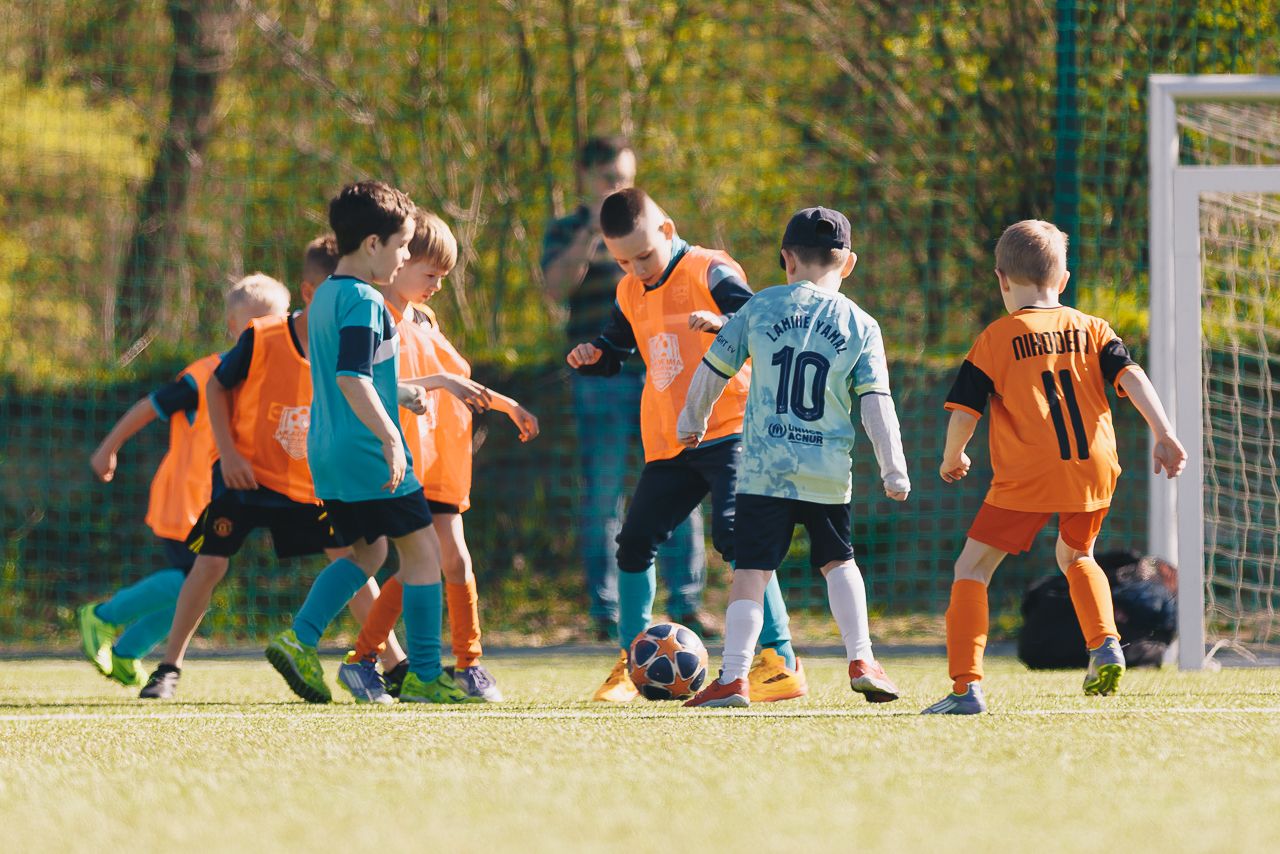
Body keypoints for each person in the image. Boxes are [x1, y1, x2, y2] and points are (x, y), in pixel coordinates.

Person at [921, 219, 1187, 715]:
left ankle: (965, 687)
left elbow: (965, 412)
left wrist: (952, 455)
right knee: (1078, 555)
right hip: (1094, 466)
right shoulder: (1093, 328)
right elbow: (1132, 376)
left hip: (1030, 470)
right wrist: (1164, 432)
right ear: (1063, 280)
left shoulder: (996, 338)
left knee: (971, 569)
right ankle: (1105, 644)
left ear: (1001, 279)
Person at [567, 187, 801, 703]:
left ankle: (779, 658)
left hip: (731, 428)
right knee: (634, 542)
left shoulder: (709, 270)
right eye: (623, 261)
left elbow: (758, 320)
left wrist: (724, 324)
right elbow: (616, 348)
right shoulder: (629, 290)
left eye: (644, 256)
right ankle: (632, 662)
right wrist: (594, 356)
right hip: (672, 442)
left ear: (667, 230)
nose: (637, 269)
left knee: (738, 536)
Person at [138, 258, 406, 699]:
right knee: (209, 564)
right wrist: (228, 455)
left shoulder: (345, 345)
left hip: (308, 481)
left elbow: (368, 396)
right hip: (247, 475)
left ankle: (394, 662)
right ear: (310, 293)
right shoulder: (262, 337)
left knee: (352, 559)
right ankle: (168, 667)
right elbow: (215, 388)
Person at [681, 207, 910, 708]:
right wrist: (893, 468)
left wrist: (691, 421)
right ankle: (863, 659)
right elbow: (877, 402)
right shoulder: (861, 323)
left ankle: (734, 677)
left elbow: (713, 368)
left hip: (765, 472)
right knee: (839, 561)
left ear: (787, 259)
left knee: (751, 571)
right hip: (827, 472)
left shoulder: (759, 307)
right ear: (848, 263)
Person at [264, 181, 473, 705]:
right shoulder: (364, 301)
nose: (404, 257)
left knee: (369, 552)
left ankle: (300, 637)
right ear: (373, 244)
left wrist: (399, 393)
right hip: (367, 450)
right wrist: (390, 438)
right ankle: (425, 675)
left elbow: (352, 374)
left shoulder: (325, 297)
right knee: (423, 554)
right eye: (402, 246)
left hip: (328, 451)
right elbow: (352, 379)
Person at [337, 209, 540, 703]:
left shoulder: (425, 320)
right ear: (399, 261)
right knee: (428, 561)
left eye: (443, 276)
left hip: (442, 461)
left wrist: (508, 405)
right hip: (406, 461)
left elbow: (457, 382)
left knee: (446, 561)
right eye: (430, 273)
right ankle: (393, 660)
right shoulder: (374, 316)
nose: (437, 285)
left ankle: (448, 664)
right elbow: (373, 384)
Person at [541, 136, 711, 641]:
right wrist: (593, 232)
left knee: (680, 484)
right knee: (604, 494)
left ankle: (686, 604)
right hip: (600, 383)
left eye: (626, 178)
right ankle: (608, 611)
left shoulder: (651, 224)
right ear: (585, 177)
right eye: (609, 178)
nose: (618, 187)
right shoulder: (567, 229)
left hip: (663, 374)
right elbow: (555, 289)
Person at [77, 278, 286, 687]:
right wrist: (108, 449)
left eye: (273, 325)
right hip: (184, 498)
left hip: (220, 501)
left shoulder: (274, 381)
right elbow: (148, 407)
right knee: (192, 579)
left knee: (197, 589)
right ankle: (102, 616)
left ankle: (127, 652)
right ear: (232, 326)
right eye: (252, 325)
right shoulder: (204, 375)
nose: (262, 334)